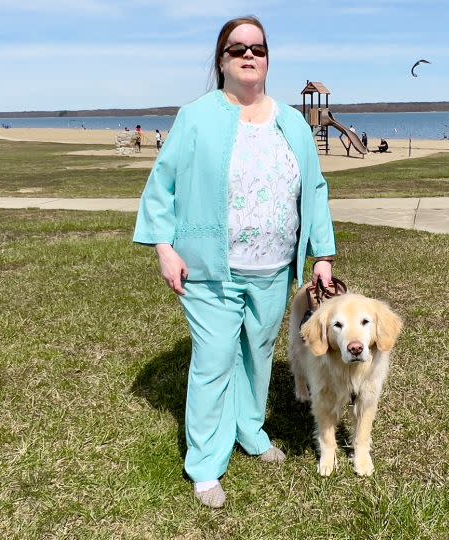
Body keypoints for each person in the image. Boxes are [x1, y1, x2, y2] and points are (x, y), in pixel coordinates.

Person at [133, 16, 336, 509]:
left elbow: (313, 189)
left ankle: (250, 430)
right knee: (213, 360)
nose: (249, 55)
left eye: (258, 49)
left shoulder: (291, 121)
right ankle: (205, 464)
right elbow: (163, 184)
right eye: (237, 48)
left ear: (268, 59)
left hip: (272, 268)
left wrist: (322, 255)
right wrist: (164, 247)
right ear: (221, 60)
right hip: (209, 269)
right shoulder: (196, 116)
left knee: (258, 354)